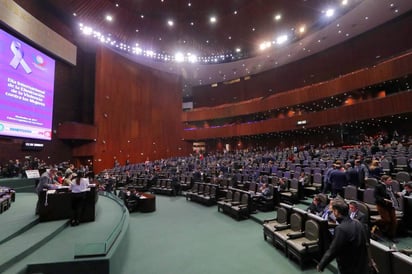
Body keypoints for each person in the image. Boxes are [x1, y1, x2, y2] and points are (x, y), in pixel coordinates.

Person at [317, 200, 369, 274]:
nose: (333, 213)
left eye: (334, 211)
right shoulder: (358, 223)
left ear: (337, 212)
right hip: (361, 265)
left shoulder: (341, 229)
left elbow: (333, 250)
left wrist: (321, 264)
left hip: (348, 267)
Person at [374, 175, 399, 241]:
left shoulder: (390, 186)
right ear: (384, 181)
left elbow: (392, 195)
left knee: (394, 222)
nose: (391, 181)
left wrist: (397, 195)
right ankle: (375, 223)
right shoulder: (378, 187)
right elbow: (376, 196)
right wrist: (384, 200)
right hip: (382, 205)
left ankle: (391, 236)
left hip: (391, 205)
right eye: (389, 180)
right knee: (387, 220)